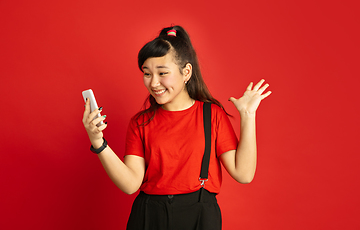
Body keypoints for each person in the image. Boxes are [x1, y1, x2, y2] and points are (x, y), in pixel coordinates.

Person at [82, 25, 271, 230]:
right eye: (147, 73)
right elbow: (130, 185)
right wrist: (98, 142)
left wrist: (248, 115)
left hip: (200, 215)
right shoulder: (141, 122)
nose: (154, 83)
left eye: (162, 73)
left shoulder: (212, 115)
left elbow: (243, 174)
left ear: (186, 72)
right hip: (149, 216)